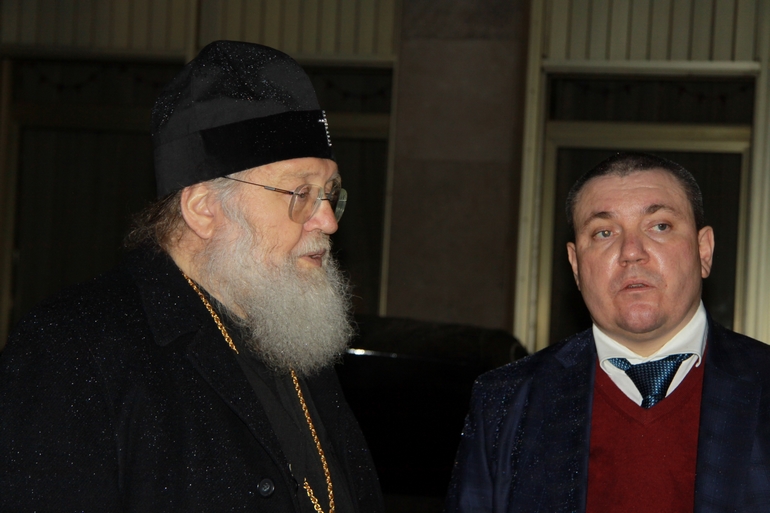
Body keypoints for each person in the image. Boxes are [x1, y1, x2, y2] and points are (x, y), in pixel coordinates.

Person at [0, 40, 384, 512]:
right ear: (203, 209)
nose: (327, 221)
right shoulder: (72, 349)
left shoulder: (295, 339)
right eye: (300, 193)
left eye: (329, 193)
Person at [446, 152, 770, 512]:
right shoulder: (504, 402)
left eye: (659, 226)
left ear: (703, 250)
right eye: (604, 233)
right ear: (575, 265)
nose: (631, 252)